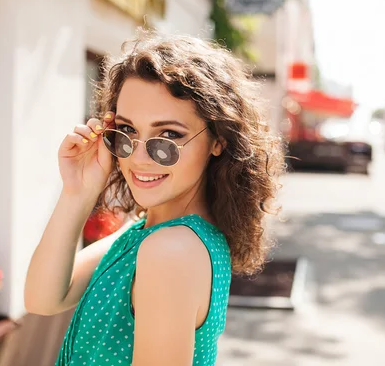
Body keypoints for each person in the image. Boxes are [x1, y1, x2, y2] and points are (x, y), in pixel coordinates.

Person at [24, 30, 285, 366]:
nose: (139, 157)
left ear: (218, 140)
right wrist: (78, 193)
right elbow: (43, 299)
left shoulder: (171, 250)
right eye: (127, 131)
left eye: (168, 136)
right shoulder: (149, 230)